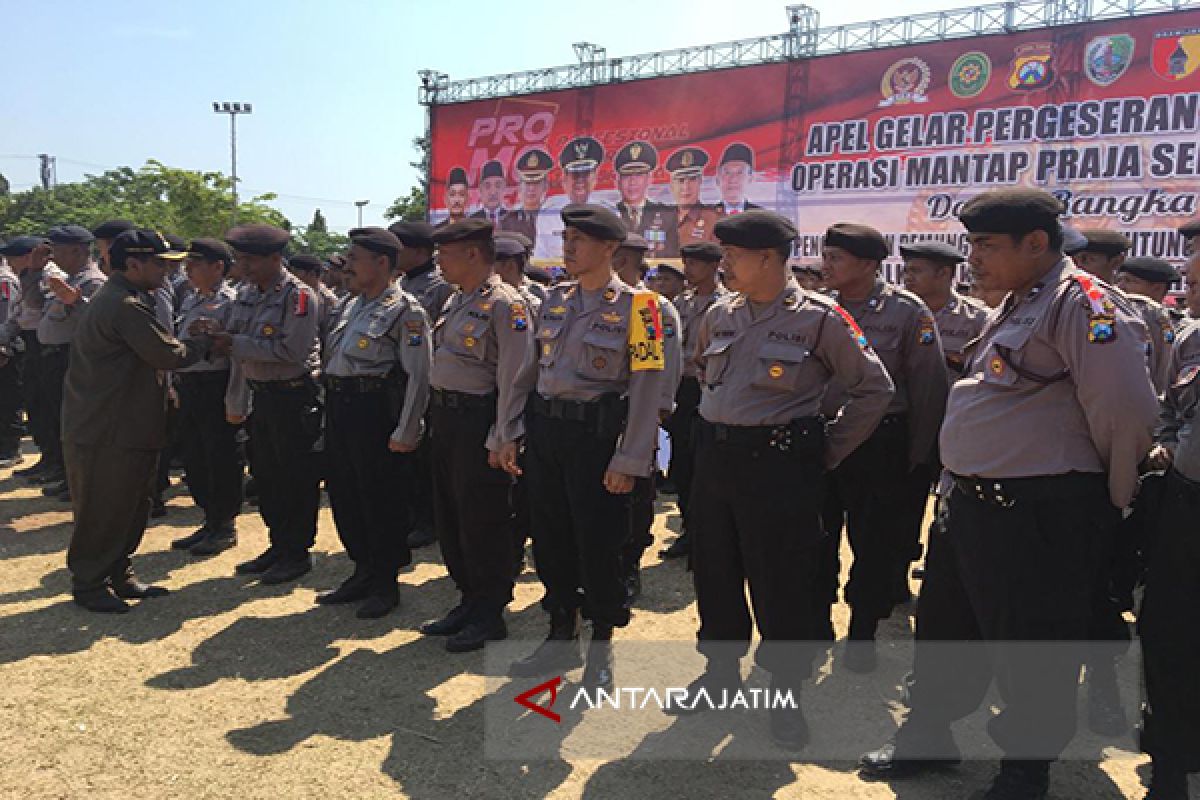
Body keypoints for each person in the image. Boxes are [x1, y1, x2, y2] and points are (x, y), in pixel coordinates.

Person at [858, 189, 1159, 800]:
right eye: (972, 245)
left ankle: (1025, 768)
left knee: (1032, 646)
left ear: (1036, 245)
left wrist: (1110, 504)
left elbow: (1125, 411)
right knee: (943, 629)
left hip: (1038, 513)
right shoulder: (1018, 303)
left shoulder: (1083, 305)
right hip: (970, 505)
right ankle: (929, 735)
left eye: (987, 246)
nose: (974, 259)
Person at [667, 210, 893, 748]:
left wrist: (825, 451)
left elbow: (873, 389)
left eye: (733, 255)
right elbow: (703, 374)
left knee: (781, 583)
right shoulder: (720, 314)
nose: (724, 264)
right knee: (715, 573)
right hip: (716, 462)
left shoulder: (822, 318)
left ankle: (783, 692)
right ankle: (720, 677)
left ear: (768, 257)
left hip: (778, 467)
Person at [508, 204, 666, 690]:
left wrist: (630, 458)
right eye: (567, 237)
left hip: (597, 440)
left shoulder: (644, 309)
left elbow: (648, 389)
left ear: (610, 249)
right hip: (548, 434)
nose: (569, 247)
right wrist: (509, 429)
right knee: (550, 539)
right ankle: (560, 632)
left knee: (598, 545)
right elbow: (529, 373)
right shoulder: (554, 300)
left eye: (580, 239)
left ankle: (601, 644)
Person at [821, 223, 950, 671]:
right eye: (826, 255)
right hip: (818, 439)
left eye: (836, 257)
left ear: (868, 265)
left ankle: (862, 628)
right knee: (814, 537)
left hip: (880, 443)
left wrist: (919, 457)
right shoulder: (816, 307)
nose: (826, 265)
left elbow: (929, 389)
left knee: (873, 542)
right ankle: (817, 624)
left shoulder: (907, 313)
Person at [62, 230, 209, 613]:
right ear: (133, 264)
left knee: (129, 505)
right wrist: (207, 344)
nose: (167, 270)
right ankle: (89, 582)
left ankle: (118, 573)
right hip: (109, 427)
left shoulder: (127, 298)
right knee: (103, 508)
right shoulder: (124, 304)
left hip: (127, 423)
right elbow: (166, 354)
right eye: (159, 263)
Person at [419, 219, 533, 648]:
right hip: (447, 419)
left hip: (479, 421)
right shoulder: (456, 300)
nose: (438, 262)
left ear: (472, 254)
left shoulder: (506, 304)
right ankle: (467, 598)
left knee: (483, 518)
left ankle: (490, 610)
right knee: (451, 515)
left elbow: (515, 376)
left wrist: (503, 435)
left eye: (445, 254)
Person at [319, 227, 431, 618]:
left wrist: (407, 429)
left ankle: (385, 583)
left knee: (379, 499)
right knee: (346, 494)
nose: (347, 265)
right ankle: (362, 569)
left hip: (374, 411)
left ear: (381, 263)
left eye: (355, 258)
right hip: (341, 407)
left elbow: (418, 376)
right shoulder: (351, 305)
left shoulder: (406, 310)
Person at [206, 224, 322, 586]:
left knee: (295, 479)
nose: (243, 266)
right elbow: (235, 333)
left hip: (292, 396)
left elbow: (292, 351)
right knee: (267, 477)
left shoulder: (298, 297)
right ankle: (278, 544)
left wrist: (234, 343)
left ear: (275, 258)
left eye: (250, 259)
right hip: (261, 396)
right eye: (240, 259)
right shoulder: (246, 293)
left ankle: (296, 552)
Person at [1139, 309, 1200, 799]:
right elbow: (1170, 408)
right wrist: (1166, 444)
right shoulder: (1193, 339)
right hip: (1186, 505)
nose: (1191, 294)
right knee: (1170, 636)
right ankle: (1171, 765)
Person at [610, 233, 683, 606]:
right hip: (598, 420)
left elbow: (663, 373)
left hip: (636, 417)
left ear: (623, 260)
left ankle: (628, 568)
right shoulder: (592, 302)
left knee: (634, 500)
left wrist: (653, 420)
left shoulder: (651, 308)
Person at [168, 238, 243, 556]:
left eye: (196, 264)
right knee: (194, 454)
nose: (188, 270)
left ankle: (224, 523)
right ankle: (208, 519)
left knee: (219, 455)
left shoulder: (231, 301)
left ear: (218, 268)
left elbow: (236, 347)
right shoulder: (190, 297)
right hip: (190, 382)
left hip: (215, 383)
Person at [660, 241, 728, 560]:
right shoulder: (681, 303)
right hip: (681, 389)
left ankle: (710, 532)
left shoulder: (725, 304)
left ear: (714, 267)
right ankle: (690, 529)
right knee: (683, 464)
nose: (688, 269)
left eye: (695, 263)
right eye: (686, 262)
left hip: (709, 390)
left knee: (708, 465)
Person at [388, 220, 453, 548]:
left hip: (425, 375)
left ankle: (429, 521)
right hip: (397, 379)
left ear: (419, 252)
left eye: (398, 248)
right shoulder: (399, 285)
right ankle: (411, 515)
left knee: (423, 455)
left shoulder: (439, 286)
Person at [37, 225, 107, 500]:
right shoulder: (67, 278)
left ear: (78, 251)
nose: (53, 257)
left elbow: (99, 323)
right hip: (55, 358)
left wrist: (74, 302)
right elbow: (32, 303)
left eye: (58, 251)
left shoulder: (92, 282)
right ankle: (70, 477)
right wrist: (33, 270)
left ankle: (84, 482)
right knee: (62, 423)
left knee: (79, 426)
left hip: (74, 358)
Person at [1068, 229, 1174, 393]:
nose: (1077, 267)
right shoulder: (1058, 303)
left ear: (1116, 262)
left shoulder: (1142, 310)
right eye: (1073, 261)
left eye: (1087, 260)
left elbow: (1159, 370)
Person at [899, 241, 989, 376]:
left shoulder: (977, 318)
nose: (908, 278)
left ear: (944, 273)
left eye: (916, 271)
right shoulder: (895, 312)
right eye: (905, 271)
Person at [3, 238, 50, 476]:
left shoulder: (43, 279)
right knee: (35, 402)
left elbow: (25, 307)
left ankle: (14, 449)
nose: (9, 265)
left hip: (41, 343)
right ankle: (48, 457)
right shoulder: (25, 278)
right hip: (27, 341)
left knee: (37, 401)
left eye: (12, 260)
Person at [613, 140, 678, 259]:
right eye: (627, 175)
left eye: (638, 175)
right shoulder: (609, 216)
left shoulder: (667, 215)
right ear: (618, 182)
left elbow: (673, 258)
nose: (632, 182)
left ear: (649, 179)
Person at [666, 147, 718, 250]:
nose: (686, 187)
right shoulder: (661, 218)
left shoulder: (714, 220)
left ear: (700, 182)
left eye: (692, 179)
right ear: (671, 185)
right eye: (681, 180)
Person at [0, 245, 22, 465]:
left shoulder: (4, 280)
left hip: (6, 346)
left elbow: (7, 315)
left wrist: (2, 345)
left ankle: (10, 449)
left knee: (7, 398)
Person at [502, 148, 552, 244]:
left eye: (536, 182)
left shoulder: (552, 217)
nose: (531, 188)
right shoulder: (508, 221)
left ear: (545, 186)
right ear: (519, 186)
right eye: (527, 183)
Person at [713, 143, 761, 217]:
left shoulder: (761, 217)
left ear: (751, 178)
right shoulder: (707, 215)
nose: (733, 179)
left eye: (740, 172)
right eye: (727, 172)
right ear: (717, 179)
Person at [471, 160, 509, 225]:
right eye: (487, 186)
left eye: (498, 185)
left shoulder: (513, 220)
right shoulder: (471, 222)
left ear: (504, 188)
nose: (493, 192)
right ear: (480, 190)